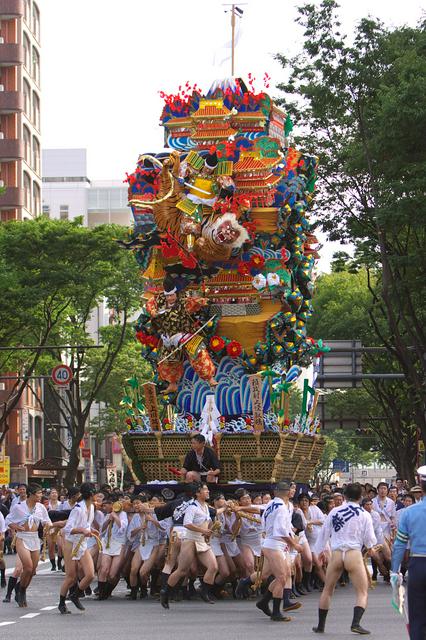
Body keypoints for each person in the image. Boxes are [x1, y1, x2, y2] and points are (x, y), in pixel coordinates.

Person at [312, 482, 377, 635]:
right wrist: (372, 549)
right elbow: (369, 540)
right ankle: (355, 623)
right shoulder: (364, 514)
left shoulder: (334, 511)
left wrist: (319, 551)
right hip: (353, 553)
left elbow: (323, 534)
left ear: (345, 496)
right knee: (362, 591)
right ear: (361, 497)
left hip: (336, 553)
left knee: (327, 590)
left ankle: (321, 626)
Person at [160, 482, 218, 608]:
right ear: (198, 493)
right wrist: (204, 531)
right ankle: (166, 593)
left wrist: (210, 531)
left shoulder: (206, 506)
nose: (208, 492)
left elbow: (207, 522)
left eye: (208, 490)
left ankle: (204, 591)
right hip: (190, 539)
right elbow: (187, 524)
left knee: (213, 567)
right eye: (205, 490)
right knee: (182, 570)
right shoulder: (192, 507)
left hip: (201, 540)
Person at [255, 482, 303, 622]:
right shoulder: (281, 507)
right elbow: (281, 531)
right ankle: (275, 611)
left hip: (274, 542)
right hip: (274, 543)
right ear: (288, 492)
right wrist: (294, 544)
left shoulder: (271, 504)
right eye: (292, 490)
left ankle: (264, 602)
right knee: (282, 577)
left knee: (284, 574)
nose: (293, 492)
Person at [391, 465, 426, 640]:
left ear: (420, 484)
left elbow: (399, 544)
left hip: (418, 564)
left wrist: (394, 571)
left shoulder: (409, 512)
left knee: (417, 616)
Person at [5, 483, 52, 607]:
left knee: (33, 571)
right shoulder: (18, 507)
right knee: (28, 567)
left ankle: (21, 588)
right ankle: (20, 591)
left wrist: (48, 526)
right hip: (22, 538)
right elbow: (8, 521)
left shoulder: (41, 507)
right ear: (31, 494)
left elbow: (47, 520)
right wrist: (16, 527)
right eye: (38, 493)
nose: (40, 495)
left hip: (35, 539)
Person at [58, 483, 96, 614]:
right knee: (71, 576)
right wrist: (81, 530)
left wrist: (91, 531)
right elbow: (68, 529)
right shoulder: (78, 509)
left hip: (82, 543)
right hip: (71, 543)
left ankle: (75, 594)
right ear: (91, 494)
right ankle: (61, 602)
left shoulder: (91, 507)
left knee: (90, 574)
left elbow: (87, 525)